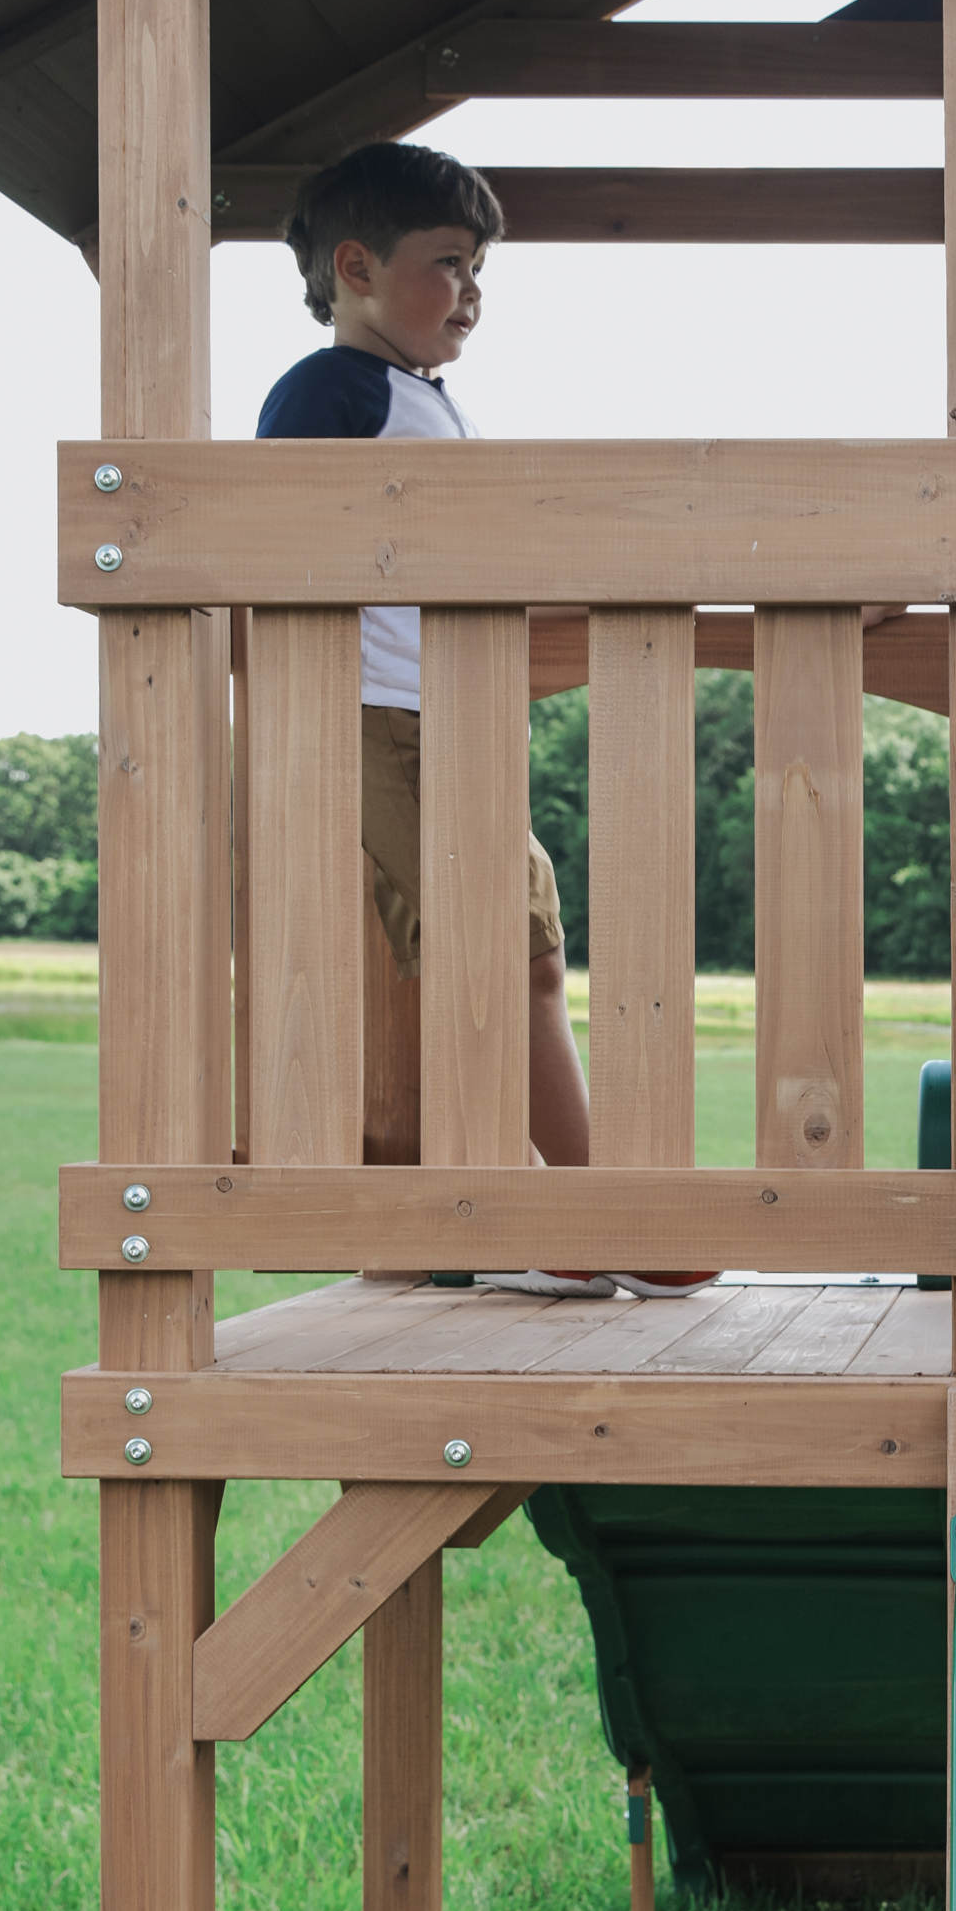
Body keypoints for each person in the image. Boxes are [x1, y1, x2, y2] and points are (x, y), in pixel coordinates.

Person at [257, 142, 708, 1301]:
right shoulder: (334, 390)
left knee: (512, 955)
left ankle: (514, 1207)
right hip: (383, 714)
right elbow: (271, 538)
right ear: (355, 267)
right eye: (447, 262)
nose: (471, 290)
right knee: (506, 957)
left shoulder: (421, 399)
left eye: (479, 268)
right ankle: (595, 1208)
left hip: (443, 720)